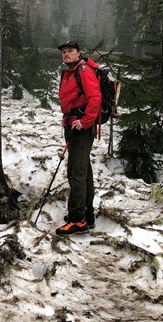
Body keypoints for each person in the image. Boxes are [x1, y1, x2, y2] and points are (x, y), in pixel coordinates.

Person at [55, 40, 101, 235]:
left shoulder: (82, 70)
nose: (66, 54)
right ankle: (87, 214)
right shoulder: (70, 72)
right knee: (84, 170)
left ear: (78, 53)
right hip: (74, 125)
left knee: (76, 172)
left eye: (70, 51)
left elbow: (95, 98)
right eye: (64, 51)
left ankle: (77, 220)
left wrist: (85, 122)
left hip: (80, 127)